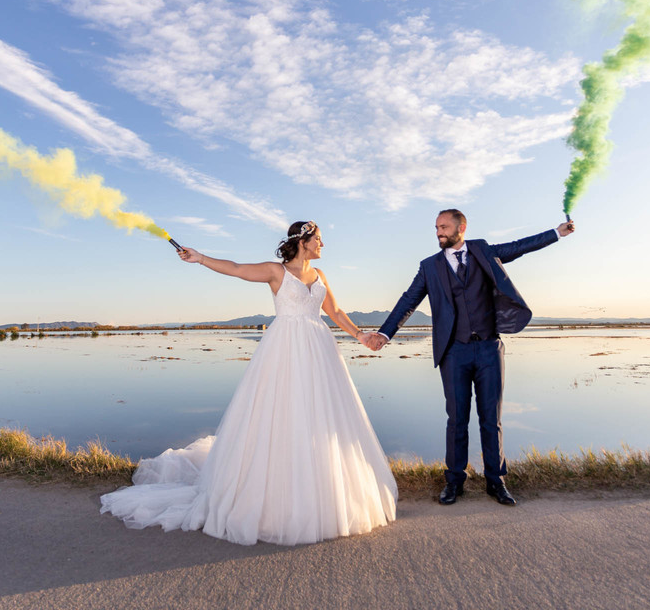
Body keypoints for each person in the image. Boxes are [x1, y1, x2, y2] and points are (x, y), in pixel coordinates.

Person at [99, 221, 397, 545]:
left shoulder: (320, 276)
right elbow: (238, 269)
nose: (323, 245)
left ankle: (323, 493)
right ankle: (272, 503)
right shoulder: (276, 271)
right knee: (280, 416)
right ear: (303, 241)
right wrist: (200, 258)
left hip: (320, 350)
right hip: (285, 349)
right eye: (319, 240)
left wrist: (360, 335)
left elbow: (335, 311)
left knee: (322, 419)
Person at [364, 209, 574, 506]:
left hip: (489, 348)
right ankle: (454, 482)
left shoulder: (483, 250)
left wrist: (556, 233)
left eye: (444, 227)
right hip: (454, 351)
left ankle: (496, 482)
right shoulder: (429, 267)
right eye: (436, 227)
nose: (439, 232)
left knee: (492, 419)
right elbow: (408, 300)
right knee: (457, 419)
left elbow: (519, 247)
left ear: (461, 227)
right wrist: (385, 334)